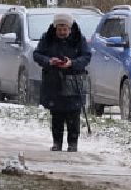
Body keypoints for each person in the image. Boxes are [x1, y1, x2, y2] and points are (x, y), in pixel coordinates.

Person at [34, 12, 91, 152]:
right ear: (55, 28)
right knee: (57, 114)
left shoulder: (79, 39)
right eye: (59, 29)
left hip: (74, 82)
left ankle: (73, 143)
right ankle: (57, 143)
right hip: (54, 81)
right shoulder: (47, 38)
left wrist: (72, 63)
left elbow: (87, 56)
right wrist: (49, 61)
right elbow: (37, 54)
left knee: (73, 114)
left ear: (70, 28)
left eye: (65, 29)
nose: (62, 32)